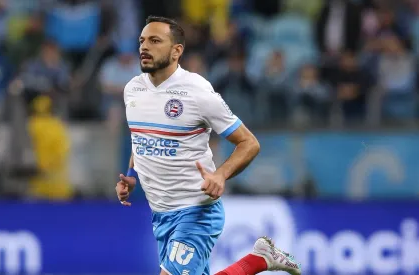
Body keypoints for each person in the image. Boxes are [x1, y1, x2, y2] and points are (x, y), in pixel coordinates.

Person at [116, 16, 301, 275]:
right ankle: (260, 259)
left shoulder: (197, 92)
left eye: (155, 41)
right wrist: (132, 176)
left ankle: (260, 260)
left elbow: (249, 143)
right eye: (142, 41)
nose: (144, 47)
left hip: (196, 211)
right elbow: (142, 140)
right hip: (161, 215)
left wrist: (220, 175)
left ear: (176, 51)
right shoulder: (132, 90)